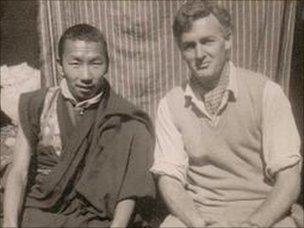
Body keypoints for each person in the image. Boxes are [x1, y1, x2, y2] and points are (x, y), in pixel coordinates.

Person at [150, 1, 302, 227]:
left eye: (208, 41)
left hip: (264, 216)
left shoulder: (266, 93)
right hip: (199, 218)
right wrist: (197, 223)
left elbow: (289, 179)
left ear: (227, 41)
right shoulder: (170, 104)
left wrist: (254, 224)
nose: (199, 54)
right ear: (180, 50)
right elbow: (169, 179)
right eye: (189, 46)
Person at [3, 24, 155, 227]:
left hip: (98, 216)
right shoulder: (37, 105)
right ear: (60, 65)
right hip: (43, 207)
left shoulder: (124, 118)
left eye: (95, 63)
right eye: (75, 64)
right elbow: (19, 171)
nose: (86, 76)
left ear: (107, 65)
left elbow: (129, 188)